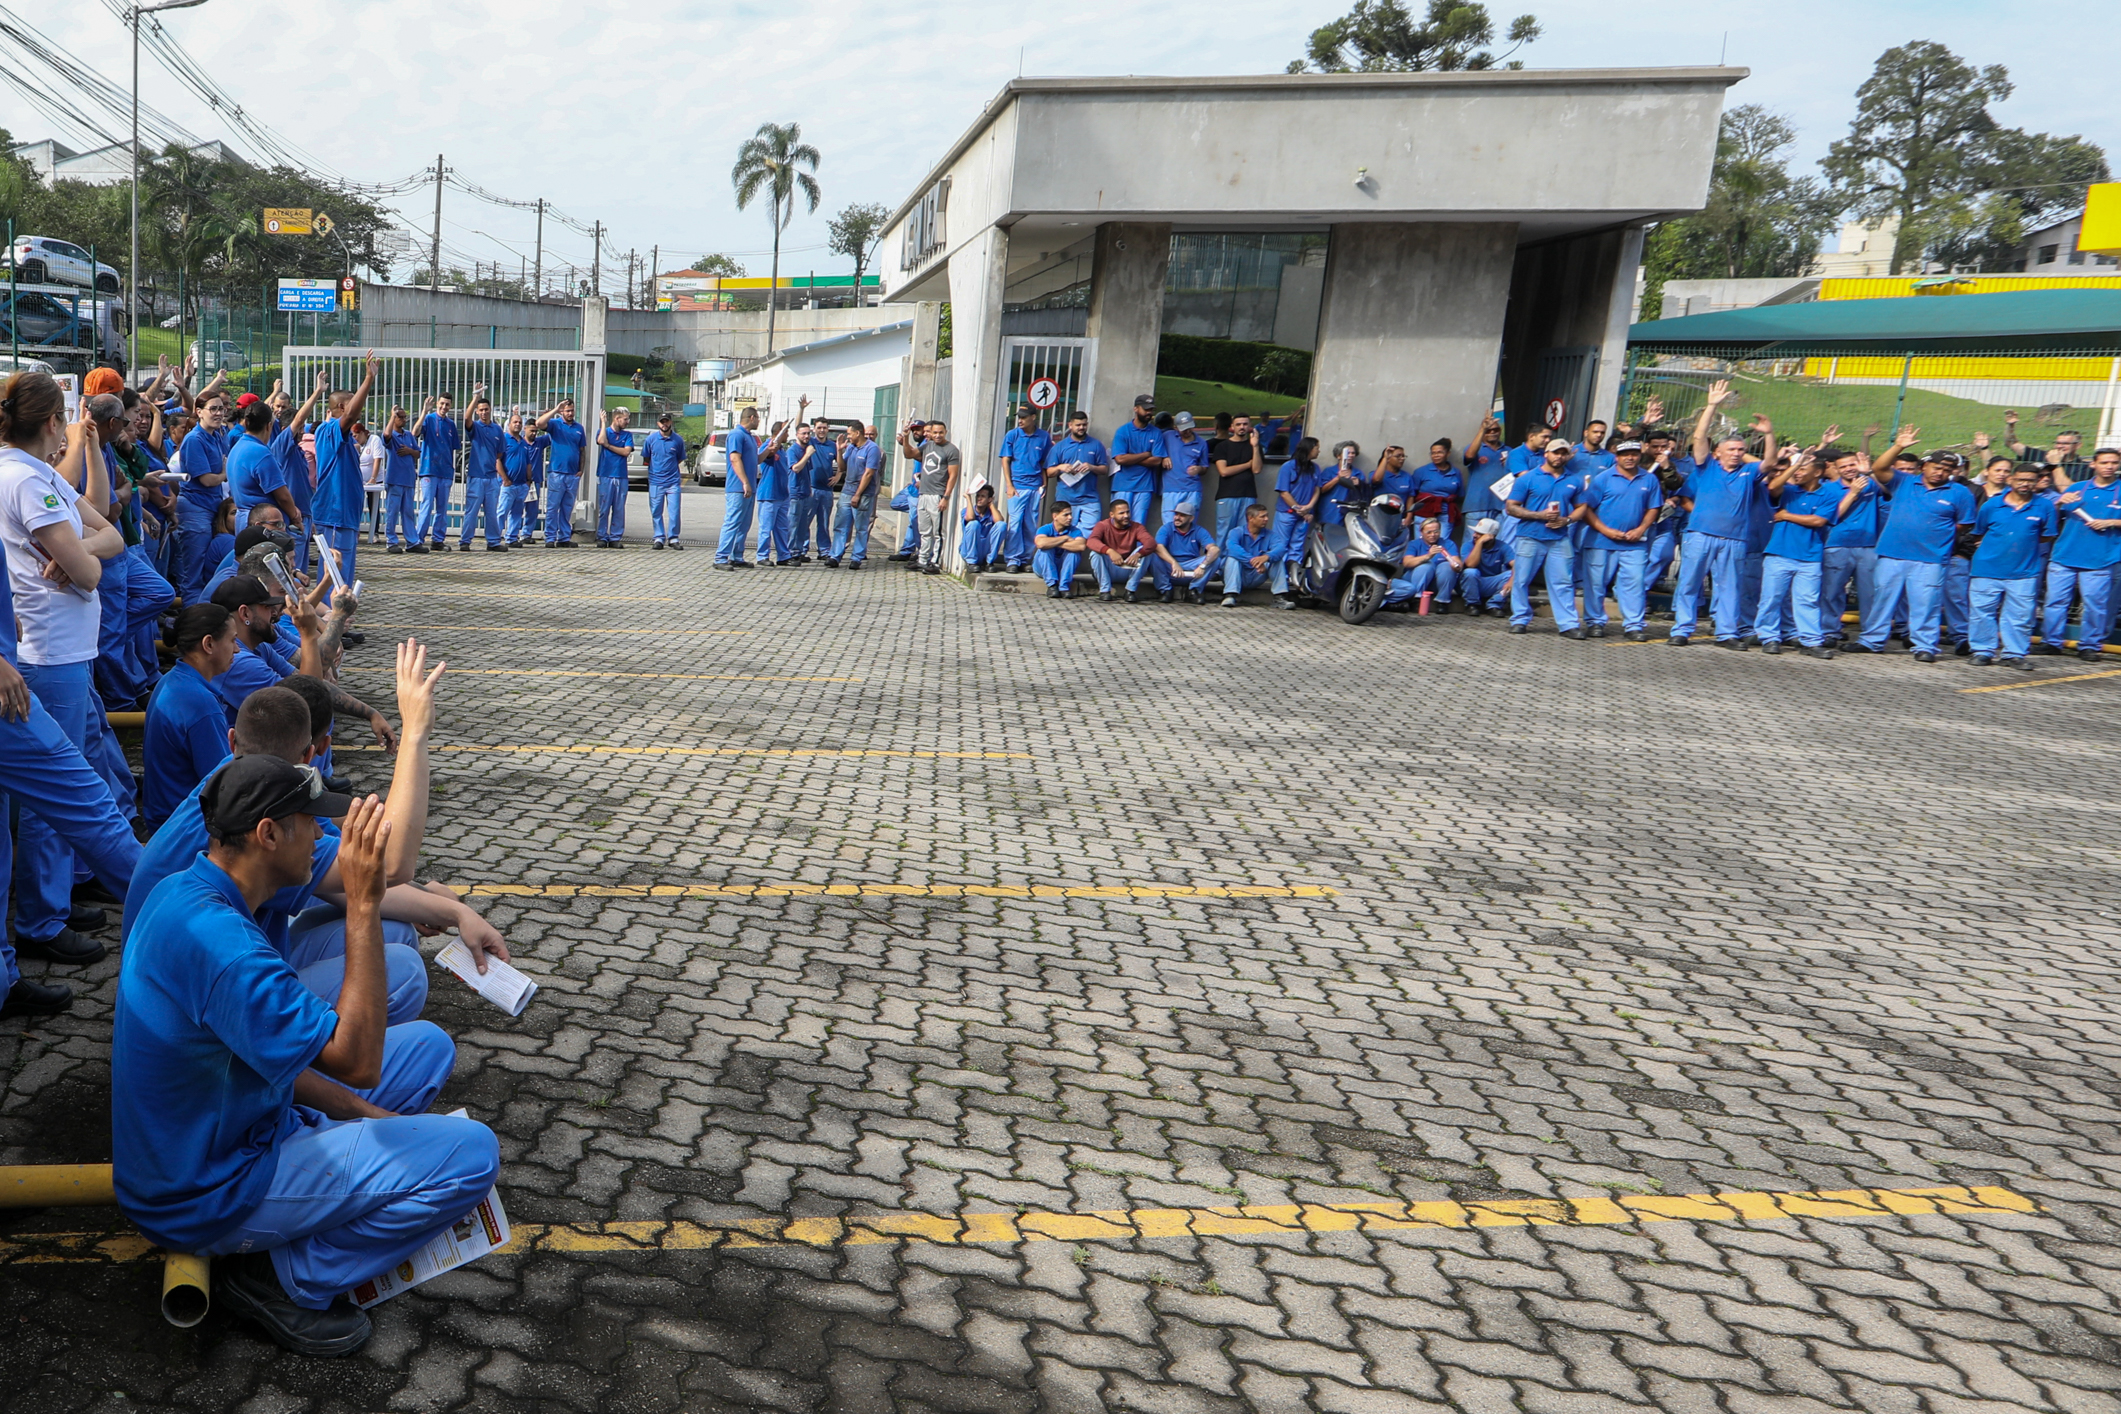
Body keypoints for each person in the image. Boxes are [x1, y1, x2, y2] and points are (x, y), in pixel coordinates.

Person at [113, 766, 500, 1357]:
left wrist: (363, 1115)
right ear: (268, 835)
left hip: (236, 1129)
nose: (324, 837)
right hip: (207, 1191)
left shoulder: (200, 886)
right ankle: (285, 1278)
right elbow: (357, 1059)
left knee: (428, 1047)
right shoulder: (224, 947)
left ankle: (321, 1199)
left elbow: (285, 1069)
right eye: (310, 824)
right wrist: (364, 906)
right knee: (472, 1156)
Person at [1, 375, 133, 966]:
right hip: (49, 650)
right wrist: (83, 557)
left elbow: (109, 532)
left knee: (66, 778)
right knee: (55, 793)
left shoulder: (38, 474)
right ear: (55, 422)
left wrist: (84, 552)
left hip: (64, 647)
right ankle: (41, 916)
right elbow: (90, 571)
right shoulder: (25, 480)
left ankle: (52, 898)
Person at [1844, 449, 1979, 662]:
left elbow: (1965, 523)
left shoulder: (1960, 493)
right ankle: (1871, 641)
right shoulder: (1904, 482)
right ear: (1924, 466)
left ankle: (1924, 646)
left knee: (1926, 604)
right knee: (1882, 600)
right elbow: (1879, 468)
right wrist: (1898, 445)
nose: (1940, 473)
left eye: (1947, 470)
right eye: (1936, 467)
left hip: (1931, 559)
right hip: (1892, 554)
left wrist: (1937, 534)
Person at [1668, 382, 1774, 649]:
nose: (1738, 453)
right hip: (1700, 535)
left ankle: (1726, 634)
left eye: (1741, 450)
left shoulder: (1749, 473)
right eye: (1732, 450)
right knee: (1690, 584)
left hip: (1735, 540)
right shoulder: (1706, 468)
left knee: (1730, 588)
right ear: (1718, 453)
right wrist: (1712, 405)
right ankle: (1682, 629)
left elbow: (1770, 463)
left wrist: (1769, 434)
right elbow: (1699, 438)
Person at [143, 603, 238, 828]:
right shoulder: (201, 704)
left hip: (165, 817)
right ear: (208, 644)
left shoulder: (170, 680)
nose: (237, 650)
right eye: (233, 640)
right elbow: (223, 787)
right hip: (186, 825)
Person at [1753, 452, 1847, 658]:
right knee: (1771, 597)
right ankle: (1769, 637)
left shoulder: (1829, 495)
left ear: (1818, 472)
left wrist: (1786, 515)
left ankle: (1811, 641)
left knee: (1807, 601)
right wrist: (1795, 466)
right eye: (1798, 468)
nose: (1798, 473)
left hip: (1810, 557)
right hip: (1779, 553)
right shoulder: (1787, 491)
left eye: (1804, 468)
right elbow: (1772, 487)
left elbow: (1818, 521)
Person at [1968, 462, 2059, 669]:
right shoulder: (1991, 505)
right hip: (1986, 569)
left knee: (2020, 615)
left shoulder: (2044, 506)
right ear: (2011, 480)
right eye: (2020, 479)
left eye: (2030, 480)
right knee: (1982, 612)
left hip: (2024, 572)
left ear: (2036, 482)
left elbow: (2047, 535)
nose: (2025, 484)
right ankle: (1982, 651)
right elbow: (1978, 532)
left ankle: (2014, 654)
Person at [2036, 447, 2121, 660]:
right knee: (2055, 601)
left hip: (2101, 559)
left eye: (2113, 463)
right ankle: (2051, 642)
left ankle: (2090, 645)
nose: (2109, 467)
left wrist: (2112, 522)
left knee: (2095, 604)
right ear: (2093, 464)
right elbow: (2051, 517)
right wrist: (2058, 502)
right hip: (2064, 556)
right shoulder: (2078, 488)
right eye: (2104, 462)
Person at [1504, 437, 1588, 637]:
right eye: (1555, 452)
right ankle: (1520, 619)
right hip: (1529, 537)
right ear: (1546, 454)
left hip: (1560, 538)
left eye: (1563, 453)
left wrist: (1567, 520)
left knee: (1563, 582)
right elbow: (1511, 507)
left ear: (1568, 455)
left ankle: (1568, 624)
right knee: (1522, 580)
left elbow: (1582, 507)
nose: (1559, 456)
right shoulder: (1527, 478)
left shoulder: (1574, 480)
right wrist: (1538, 516)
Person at [1580, 440, 1663, 641]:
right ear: (1616, 457)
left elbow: (1654, 508)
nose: (1630, 458)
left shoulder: (1649, 479)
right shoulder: (1603, 478)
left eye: (1634, 454)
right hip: (1600, 541)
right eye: (1625, 454)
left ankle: (1634, 625)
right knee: (1596, 584)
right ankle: (1594, 622)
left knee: (1634, 583)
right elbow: (1586, 509)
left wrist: (1641, 529)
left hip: (1635, 543)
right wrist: (1606, 531)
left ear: (1639, 456)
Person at [310, 353, 379, 584]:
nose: (359, 408)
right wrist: (368, 379)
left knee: (344, 576)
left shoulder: (346, 438)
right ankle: (329, 617)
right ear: (340, 407)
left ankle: (341, 618)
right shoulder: (329, 431)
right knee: (333, 576)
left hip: (345, 517)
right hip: (334, 515)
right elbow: (351, 415)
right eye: (353, 402)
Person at [1819, 446, 1885, 644]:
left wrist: (1869, 473)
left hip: (1868, 545)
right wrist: (1853, 493)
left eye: (1852, 464)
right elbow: (1832, 516)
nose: (1848, 469)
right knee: (1832, 591)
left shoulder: (1870, 484)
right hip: (1836, 545)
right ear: (1836, 469)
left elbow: (1888, 491)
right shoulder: (1828, 489)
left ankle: (1870, 635)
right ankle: (1830, 630)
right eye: (1844, 466)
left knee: (1870, 592)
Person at [172, 388, 231, 601]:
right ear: (199, 412)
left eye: (221, 409)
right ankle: (191, 625)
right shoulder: (195, 439)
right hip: (195, 510)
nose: (218, 413)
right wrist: (224, 473)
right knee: (192, 574)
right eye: (213, 409)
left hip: (211, 507)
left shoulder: (217, 435)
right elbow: (206, 479)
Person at [1269, 438, 1327, 607]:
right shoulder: (1288, 467)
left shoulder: (1315, 468)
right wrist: (1296, 507)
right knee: (1281, 546)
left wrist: (1308, 508)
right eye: (1317, 447)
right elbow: (1283, 492)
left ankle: (1292, 582)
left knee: (1297, 548)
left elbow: (1317, 489)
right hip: (1287, 513)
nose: (1318, 451)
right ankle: (1278, 584)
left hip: (1305, 515)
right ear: (1308, 449)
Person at [997, 406, 1053, 571]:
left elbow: (1044, 462)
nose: (1020, 420)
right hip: (1017, 486)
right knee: (1015, 523)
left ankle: (1026, 559)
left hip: (1034, 486)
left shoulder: (1043, 437)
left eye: (1024, 417)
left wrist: (1044, 484)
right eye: (1019, 417)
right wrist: (1009, 485)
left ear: (1033, 417)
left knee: (1030, 523)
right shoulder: (1013, 435)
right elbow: (1005, 460)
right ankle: (1012, 559)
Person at [908, 419, 961, 574]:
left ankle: (935, 562)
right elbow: (909, 454)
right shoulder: (927, 446)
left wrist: (946, 497)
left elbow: (953, 475)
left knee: (937, 532)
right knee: (924, 530)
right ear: (930, 433)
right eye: (934, 432)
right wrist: (904, 438)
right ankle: (922, 560)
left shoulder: (951, 450)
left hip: (938, 495)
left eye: (940, 432)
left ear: (946, 432)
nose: (937, 435)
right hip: (923, 493)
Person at [457, 394, 509, 552]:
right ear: (477, 412)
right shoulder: (476, 427)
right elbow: (466, 418)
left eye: (486, 409)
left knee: (492, 512)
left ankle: (493, 542)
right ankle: (465, 541)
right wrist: (475, 398)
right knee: (471, 511)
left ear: (490, 410)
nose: (484, 412)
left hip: (492, 478)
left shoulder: (497, 429)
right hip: (476, 477)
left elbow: (500, 453)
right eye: (481, 410)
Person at [827, 423, 883, 569]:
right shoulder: (851, 447)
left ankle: (857, 557)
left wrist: (858, 494)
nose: (848, 436)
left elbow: (869, 473)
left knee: (861, 527)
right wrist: (839, 451)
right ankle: (835, 555)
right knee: (840, 525)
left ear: (858, 433)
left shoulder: (872, 449)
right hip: (847, 491)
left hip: (863, 494)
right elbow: (842, 467)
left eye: (850, 433)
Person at [1043, 410, 1109, 533]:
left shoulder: (1096, 445)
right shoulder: (1059, 447)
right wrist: (1060, 467)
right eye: (1078, 425)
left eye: (1084, 425)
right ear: (1070, 425)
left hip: (1090, 500)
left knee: (1088, 536)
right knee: (1064, 534)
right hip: (1065, 500)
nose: (1081, 428)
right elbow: (1049, 473)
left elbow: (1104, 469)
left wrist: (1092, 467)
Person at [535, 398, 587, 549]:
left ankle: (564, 537)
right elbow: (539, 424)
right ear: (562, 412)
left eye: (572, 411)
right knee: (553, 507)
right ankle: (550, 537)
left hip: (572, 475)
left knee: (567, 507)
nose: (570, 414)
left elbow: (582, 450)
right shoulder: (555, 424)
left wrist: (581, 470)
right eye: (567, 411)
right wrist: (555, 409)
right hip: (557, 472)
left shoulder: (579, 428)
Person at [412, 392, 460, 552]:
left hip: (445, 471)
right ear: (437, 403)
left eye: (447, 404)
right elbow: (415, 432)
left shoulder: (451, 424)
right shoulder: (429, 418)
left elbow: (453, 446)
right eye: (441, 403)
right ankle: (418, 539)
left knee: (442, 508)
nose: (444, 407)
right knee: (427, 505)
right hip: (429, 470)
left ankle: (438, 540)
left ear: (450, 406)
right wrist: (424, 411)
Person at [1110, 394, 1167, 526]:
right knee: (1118, 524)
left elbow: (1157, 460)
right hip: (1122, 486)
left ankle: (1137, 548)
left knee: (1139, 526)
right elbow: (1120, 458)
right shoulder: (1123, 431)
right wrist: (1146, 454)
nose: (1149, 413)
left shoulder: (1156, 432)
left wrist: (1131, 457)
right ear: (1136, 409)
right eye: (1146, 409)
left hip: (1145, 487)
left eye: (1151, 410)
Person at [1087, 497, 1158, 602]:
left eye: (1128, 512)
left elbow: (1151, 543)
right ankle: (1105, 591)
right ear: (1112, 515)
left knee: (1147, 552)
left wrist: (1138, 554)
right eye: (1121, 513)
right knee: (1095, 554)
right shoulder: (1102, 525)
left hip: (1129, 567)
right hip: (1110, 568)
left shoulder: (1136, 527)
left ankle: (1130, 591)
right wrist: (1109, 551)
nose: (1126, 516)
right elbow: (1091, 541)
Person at [714, 407, 760, 568]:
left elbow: (755, 459)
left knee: (744, 524)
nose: (759, 421)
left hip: (750, 487)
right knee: (732, 522)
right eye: (758, 418)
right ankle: (720, 558)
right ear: (752, 418)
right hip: (738, 487)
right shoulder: (736, 434)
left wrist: (768, 451)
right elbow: (734, 458)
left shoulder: (750, 437)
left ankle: (737, 556)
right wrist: (745, 482)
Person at [1383, 516, 1460, 612]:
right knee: (1426, 565)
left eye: (1436, 532)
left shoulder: (1448, 543)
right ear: (1421, 532)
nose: (1433, 535)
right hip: (1414, 580)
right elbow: (1407, 562)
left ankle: (1442, 602)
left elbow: (1458, 562)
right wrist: (1428, 556)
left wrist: (1455, 565)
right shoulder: (1414, 544)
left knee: (1446, 566)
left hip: (1435, 583)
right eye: (1429, 532)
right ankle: (1417, 599)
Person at [1152, 501, 1221, 603]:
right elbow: (1158, 547)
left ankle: (1194, 591)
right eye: (1176, 514)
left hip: (1192, 568)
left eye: (1182, 515)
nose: (1177, 517)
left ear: (1191, 518)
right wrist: (1173, 563)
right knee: (1153, 554)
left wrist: (1202, 566)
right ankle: (1165, 590)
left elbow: (1215, 549)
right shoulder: (1166, 528)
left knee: (1215, 559)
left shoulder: (1199, 531)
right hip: (1170, 568)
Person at [1210, 416, 1263, 543]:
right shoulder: (1223, 446)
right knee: (1224, 535)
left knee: (1246, 534)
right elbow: (1224, 471)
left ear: (1249, 426)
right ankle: (1222, 563)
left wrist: (1255, 446)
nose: (1242, 427)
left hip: (1248, 495)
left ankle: (1241, 562)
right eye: (1238, 424)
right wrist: (1247, 464)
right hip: (1227, 495)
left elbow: (1256, 469)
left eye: (1245, 424)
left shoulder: (1254, 446)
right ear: (1232, 427)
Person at [500, 412, 550, 547]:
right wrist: (504, 478)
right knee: (503, 511)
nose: (534, 433)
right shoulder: (506, 440)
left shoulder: (528, 443)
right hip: (509, 483)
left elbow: (528, 463)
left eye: (519, 422)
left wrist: (529, 480)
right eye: (515, 422)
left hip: (528, 483)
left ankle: (519, 536)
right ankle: (495, 537)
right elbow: (497, 459)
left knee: (525, 511)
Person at [753, 420, 796, 566]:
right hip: (769, 495)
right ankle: (762, 556)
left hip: (783, 495)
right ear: (779, 433)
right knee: (766, 528)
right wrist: (773, 447)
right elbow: (766, 456)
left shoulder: (782, 450)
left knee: (782, 528)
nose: (788, 434)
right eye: (786, 432)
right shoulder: (768, 447)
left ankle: (783, 555)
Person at [1216, 502, 1276, 607]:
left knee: (1276, 559)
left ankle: (1280, 597)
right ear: (1250, 518)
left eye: (1267, 516)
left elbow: (1280, 548)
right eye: (1262, 516)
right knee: (1232, 558)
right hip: (1239, 574)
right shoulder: (1235, 532)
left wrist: (1265, 557)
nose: (1266, 519)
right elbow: (1232, 548)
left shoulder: (1271, 534)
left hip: (1257, 575)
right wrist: (1255, 561)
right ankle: (1230, 595)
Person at [643, 410, 687, 549]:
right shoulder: (650, 440)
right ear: (658, 424)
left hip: (673, 482)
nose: (664, 424)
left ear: (670, 422)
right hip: (656, 482)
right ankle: (659, 537)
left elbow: (679, 458)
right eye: (662, 422)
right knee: (656, 511)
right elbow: (647, 458)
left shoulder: (678, 440)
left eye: (667, 421)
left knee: (674, 511)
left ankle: (673, 538)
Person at [378, 407, 418, 553]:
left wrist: (409, 451)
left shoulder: (408, 435)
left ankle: (412, 542)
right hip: (395, 479)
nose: (403, 419)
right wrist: (391, 415)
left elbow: (418, 453)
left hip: (408, 479)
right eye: (400, 417)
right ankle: (391, 541)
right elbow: (386, 434)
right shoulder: (392, 436)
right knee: (392, 512)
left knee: (408, 512)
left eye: (404, 416)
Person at [593, 407, 633, 548]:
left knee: (619, 508)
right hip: (606, 474)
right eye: (625, 419)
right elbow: (600, 440)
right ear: (617, 419)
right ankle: (602, 536)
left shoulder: (627, 435)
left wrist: (609, 446)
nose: (628, 422)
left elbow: (625, 452)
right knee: (604, 507)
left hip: (621, 476)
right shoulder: (605, 432)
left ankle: (615, 536)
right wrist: (603, 423)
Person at [1162, 411, 1211, 526]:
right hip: (1171, 488)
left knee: (1189, 525)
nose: (1187, 431)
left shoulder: (1201, 443)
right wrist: (1163, 457)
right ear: (1175, 427)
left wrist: (1199, 469)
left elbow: (1205, 467)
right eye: (1184, 429)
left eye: (1190, 428)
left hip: (1192, 489)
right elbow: (1155, 449)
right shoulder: (1167, 436)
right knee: (1169, 525)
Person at [1458, 518, 1514, 615]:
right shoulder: (1468, 545)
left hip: (1490, 582)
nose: (1474, 535)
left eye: (1479, 533)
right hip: (1469, 583)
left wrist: (1511, 581)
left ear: (1491, 536)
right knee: (1470, 572)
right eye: (1475, 532)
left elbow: (1516, 565)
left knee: (1511, 574)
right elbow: (1470, 565)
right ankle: (1472, 605)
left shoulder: (1502, 546)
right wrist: (1479, 543)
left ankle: (1494, 604)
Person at [1032, 503, 1086, 598]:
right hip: (1042, 567)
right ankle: (1052, 586)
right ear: (1055, 516)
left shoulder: (1075, 531)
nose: (1070, 517)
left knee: (1074, 553)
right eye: (1066, 515)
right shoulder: (1045, 529)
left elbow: (1081, 546)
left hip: (1061, 567)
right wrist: (1064, 538)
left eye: (1070, 514)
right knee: (1045, 550)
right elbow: (1040, 543)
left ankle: (1064, 587)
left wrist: (1053, 542)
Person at [958, 484, 1005, 570]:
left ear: (989, 499)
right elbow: (970, 518)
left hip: (984, 549)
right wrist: (969, 499)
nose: (979, 498)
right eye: (978, 496)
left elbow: (1000, 522)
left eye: (983, 496)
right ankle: (971, 563)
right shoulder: (967, 511)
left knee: (1002, 525)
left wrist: (991, 505)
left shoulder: (992, 512)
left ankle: (989, 562)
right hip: (970, 549)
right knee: (974, 524)